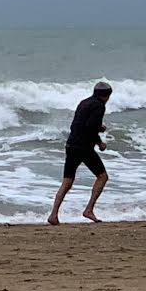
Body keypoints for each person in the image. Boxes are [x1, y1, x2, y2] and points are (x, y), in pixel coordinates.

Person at [47, 81, 112, 226]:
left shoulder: (84, 103)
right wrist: (99, 142)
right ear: (107, 95)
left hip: (71, 145)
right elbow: (90, 127)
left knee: (67, 181)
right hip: (84, 147)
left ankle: (53, 214)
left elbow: (78, 123)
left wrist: (98, 127)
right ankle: (89, 210)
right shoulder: (99, 106)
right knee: (102, 176)